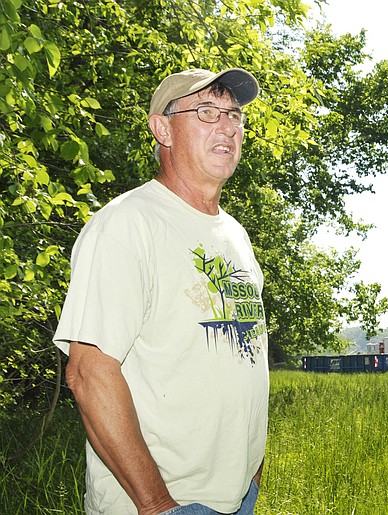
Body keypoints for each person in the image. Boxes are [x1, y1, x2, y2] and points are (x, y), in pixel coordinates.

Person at [54, 67, 270, 515]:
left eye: (234, 115)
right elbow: (89, 374)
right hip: (161, 503)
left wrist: (251, 471)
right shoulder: (127, 225)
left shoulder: (235, 235)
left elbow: (242, 358)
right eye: (206, 111)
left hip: (237, 497)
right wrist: (157, 505)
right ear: (162, 129)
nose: (227, 126)